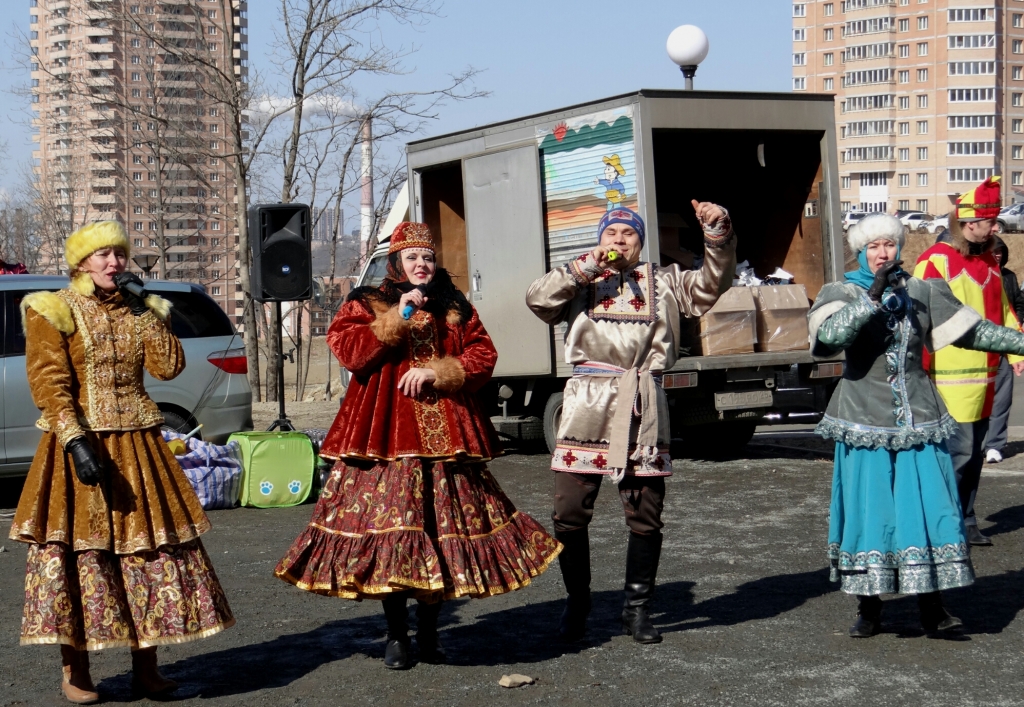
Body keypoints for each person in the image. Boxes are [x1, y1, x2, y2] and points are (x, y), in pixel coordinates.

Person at [275, 222, 561, 670]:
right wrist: (399, 316)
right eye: (412, 258)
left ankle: (429, 634)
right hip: (386, 439)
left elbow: (483, 355)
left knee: (442, 535)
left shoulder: (455, 306)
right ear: (396, 263)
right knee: (394, 535)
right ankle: (395, 635)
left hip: (448, 443)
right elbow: (351, 352)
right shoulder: (366, 302)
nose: (422, 265)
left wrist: (437, 371)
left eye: (427, 258)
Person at [8, 222, 234, 704]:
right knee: (79, 554)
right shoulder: (54, 309)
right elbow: (50, 383)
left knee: (144, 555)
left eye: (119, 254)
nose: (114, 263)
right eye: (103, 254)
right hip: (81, 447)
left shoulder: (139, 308)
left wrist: (150, 309)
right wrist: (74, 441)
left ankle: (146, 667)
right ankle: (77, 670)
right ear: (81, 262)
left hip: (139, 446)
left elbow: (168, 367)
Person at [526, 202, 736, 644]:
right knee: (568, 510)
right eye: (612, 233)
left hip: (644, 402)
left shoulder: (666, 281)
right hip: (587, 400)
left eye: (629, 234)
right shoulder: (581, 281)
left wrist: (717, 236)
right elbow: (538, 299)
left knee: (645, 512)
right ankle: (577, 600)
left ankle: (636, 610)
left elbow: (711, 284)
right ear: (600, 240)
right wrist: (585, 267)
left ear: (641, 243)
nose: (619, 240)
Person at [811, 214, 1024, 637]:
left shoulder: (922, 291)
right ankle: (868, 608)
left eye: (889, 244)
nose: (882, 253)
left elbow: (974, 331)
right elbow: (828, 341)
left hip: (921, 419)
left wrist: (1020, 341)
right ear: (860, 251)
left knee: (929, 509)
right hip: (863, 421)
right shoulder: (839, 291)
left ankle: (933, 606)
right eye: (873, 246)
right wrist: (870, 298)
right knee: (871, 513)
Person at [913, 176, 1024, 547]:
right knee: (957, 453)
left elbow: (1005, 312)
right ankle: (942, 524)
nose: (997, 227)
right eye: (990, 222)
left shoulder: (991, 259)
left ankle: (966, 517)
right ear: (968, 223)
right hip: (948, 378)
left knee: (974, 453)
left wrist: (1015, 348)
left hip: (988, 377)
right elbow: (919, 318)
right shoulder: (935, 261)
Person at [983, 236, 1024, 463]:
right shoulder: (976, 275)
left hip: (1004, 343)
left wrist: (1019, 323)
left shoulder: (1008, 277)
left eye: (1000, 252)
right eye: (993, 251)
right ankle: (974, 443)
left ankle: (995, 444)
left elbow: (1017, 304)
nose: (997, 255)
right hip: (976, 346)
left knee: (1002, 397)